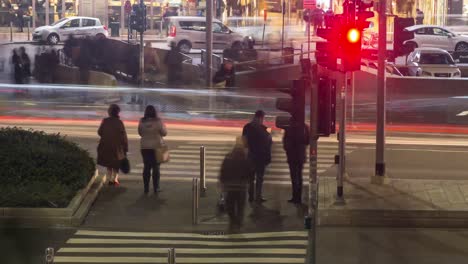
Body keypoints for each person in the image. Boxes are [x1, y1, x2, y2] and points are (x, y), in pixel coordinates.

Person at [219, 138, 254, 231]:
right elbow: (250, 172)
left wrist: (222, 182)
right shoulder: (246, 158)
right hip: (241, 187)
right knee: (240, 207)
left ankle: (233, 220)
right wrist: (249, 183)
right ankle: (238, 222)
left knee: (230, 206)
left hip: (230, 186)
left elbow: (223, 171)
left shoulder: (228, 157)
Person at [242, 110, 272, 203]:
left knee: (251, 178)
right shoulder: (263, 128)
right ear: (261, 117)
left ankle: (251, 197)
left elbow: (244, 141)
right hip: (261, 157)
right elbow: (269, 143)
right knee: (259, 178)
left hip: (251, 156)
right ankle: (258, 197)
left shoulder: (247, 127)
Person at [138, 105, 167, 194]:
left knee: (146, 167)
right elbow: (164, 133)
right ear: (155, 112)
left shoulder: (142, 121)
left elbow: (140, 132)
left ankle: (146, 188)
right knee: (156, 167)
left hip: (145, 147)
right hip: (157, 146)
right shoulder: (158, 121)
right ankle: (156, 187)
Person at [97, 104, 128, 186]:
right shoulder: (119, 122)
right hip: (117, 146)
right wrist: (125, 147)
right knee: (116, 163)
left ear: (109, 112)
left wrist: (106, 136)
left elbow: (99, 132)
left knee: (109, 162)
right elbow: (123, 136)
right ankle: (115, 179)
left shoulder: (105, 121)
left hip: (106, 145)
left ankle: (109, 178)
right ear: (117, 112)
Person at [283, 117, 310, 204]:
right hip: (300, 156)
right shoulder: (305, 127)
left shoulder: (289, 128)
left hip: (292, 156)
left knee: (294, 177)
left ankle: (295, 197)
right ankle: (298, 197)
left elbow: (285, 142)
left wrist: (288, 150)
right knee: (299, 176)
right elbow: (308, 140)